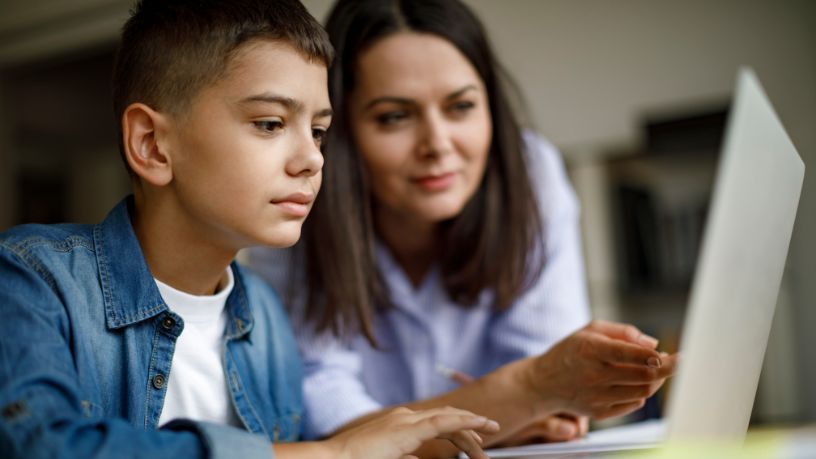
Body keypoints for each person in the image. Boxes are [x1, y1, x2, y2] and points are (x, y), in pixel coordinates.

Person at [0, 1, 503, 458]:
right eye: (270, 123)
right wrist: (334, 454)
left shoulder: (265, 314)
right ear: (152, 144)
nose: (312, 159)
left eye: (318, 131)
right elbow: (41, 446)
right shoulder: (30, 278)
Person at [249, 0, 677, 457]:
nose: (437, 144)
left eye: (461, 106)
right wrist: (522, 396)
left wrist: (528, 396)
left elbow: (557, 404)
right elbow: (324, 416)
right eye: (394, 117)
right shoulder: (297, 198)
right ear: (340, 129)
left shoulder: (530, 172)